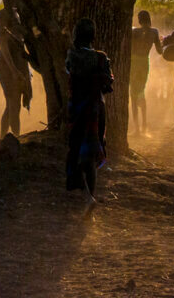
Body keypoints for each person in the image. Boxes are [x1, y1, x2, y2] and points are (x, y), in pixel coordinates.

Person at [65, 18, 114, 218]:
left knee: (77, 150)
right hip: (96, 108)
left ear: (76, 35)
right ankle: (90, 195)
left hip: (78, 108)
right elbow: (108, 85)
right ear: (93, 36)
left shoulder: (72, 55)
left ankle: (87, 197)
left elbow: (69, 73)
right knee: (93, 151)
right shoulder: (101, 58)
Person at [0, 4, 33, 137]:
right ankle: (15, 139)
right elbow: (4, 46)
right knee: (13, 104)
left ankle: (3, 138)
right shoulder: (4, 14)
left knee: (11, 104)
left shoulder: (18, 13)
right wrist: (14, 70)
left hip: (17, 62)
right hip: (7, 64)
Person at [130, 10, 162, 135]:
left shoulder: (135, 32)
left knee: (133, 94)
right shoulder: (154, 32)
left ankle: (137, 128)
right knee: (141, 92)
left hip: (134, 63)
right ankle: (144, 126)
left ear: (139, 20)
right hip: (144, 63)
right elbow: (160, 51)